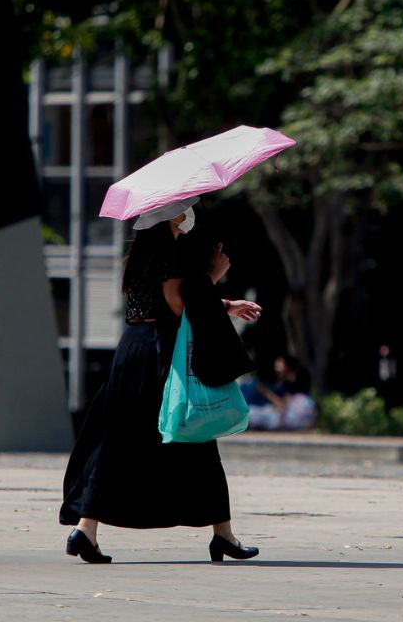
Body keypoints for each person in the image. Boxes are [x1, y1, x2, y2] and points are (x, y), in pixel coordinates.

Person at [60, 198, 264, 564]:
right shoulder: (171, 252)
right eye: (184, 206)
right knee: (195, 438)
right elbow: (177, 304)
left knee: (118, 443)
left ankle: (85, 529)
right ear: (171, 215)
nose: (189, 211)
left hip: (133, 351)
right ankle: (223, 536)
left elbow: (175, 299)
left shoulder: (142, 253)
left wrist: (224, 302)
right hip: (158, 357)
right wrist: (213, 276)